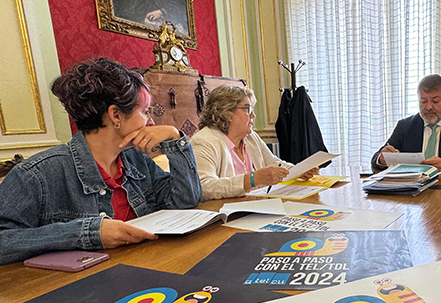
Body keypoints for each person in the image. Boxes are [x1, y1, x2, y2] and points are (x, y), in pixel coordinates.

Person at [0, 58, 202, 265]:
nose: (151, 122)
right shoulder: (37, 174)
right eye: (144, 111)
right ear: (116, 115)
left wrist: (174, 138)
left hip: (148, 268)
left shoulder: (136, 160)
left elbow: (184, 201)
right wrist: (86, 232)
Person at [190, 85, 316, 201]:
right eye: (248, 109)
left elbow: (273, 163)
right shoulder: (204, 141)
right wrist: (252, 179)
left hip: (257, 207)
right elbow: (204, 188)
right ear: (227, 113)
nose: (253, 115)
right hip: (226, 212)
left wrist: (297, 170)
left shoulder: (250, 137)